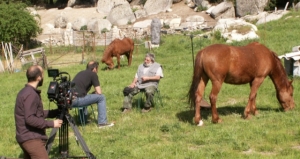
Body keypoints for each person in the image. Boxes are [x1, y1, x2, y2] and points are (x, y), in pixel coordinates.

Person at [14, 65, 63, 159]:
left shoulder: (25, 91)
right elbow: (30, 119)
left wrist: (54, 112)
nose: (43, 77)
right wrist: (52, 123)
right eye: (42, 74)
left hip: (24, 136)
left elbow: (36, 114)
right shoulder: (31, 95)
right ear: (38, 77)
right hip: (31, 138)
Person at [72, 61, 114, 128]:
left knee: (84, 96)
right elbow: (99, 92)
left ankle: (82, 120)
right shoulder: (93, 74)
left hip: (69, 101)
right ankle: (102, 123)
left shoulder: (80, 73)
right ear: (94, 68)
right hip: (78, 100)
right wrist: (95, 93)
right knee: (101, 97)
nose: (97, 71)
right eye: (97, 69)